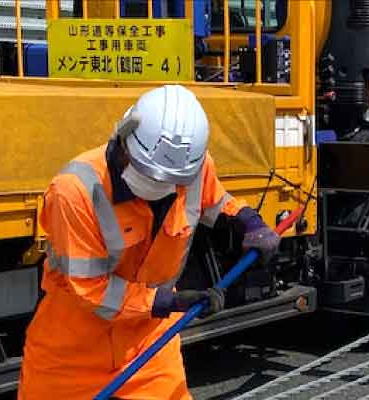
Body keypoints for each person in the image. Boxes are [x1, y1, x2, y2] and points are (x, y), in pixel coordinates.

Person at [18, 85, 281, 399]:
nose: (161, 185)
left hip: (150, 347)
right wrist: (169, 302)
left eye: (171, 181)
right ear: (124, 139)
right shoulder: (75, 192)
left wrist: (248, 222)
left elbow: (214, 201)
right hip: (71, 353)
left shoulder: (192, 169)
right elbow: (91, 290)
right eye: (151, 176)